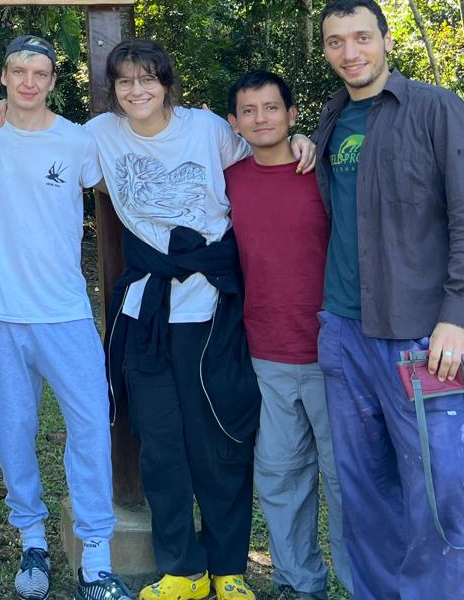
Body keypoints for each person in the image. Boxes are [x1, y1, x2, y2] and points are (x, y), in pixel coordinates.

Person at [90, 40, 309, 600]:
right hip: (147, 312)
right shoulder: (99, 136)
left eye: (148, 79)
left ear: (166, 83)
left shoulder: (208, 130)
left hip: (211, 305)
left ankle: (228, 567)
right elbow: (39, 145)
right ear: (113, 91)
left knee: (220, 438)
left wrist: (300, 138)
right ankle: (181, 571)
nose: (137, 91)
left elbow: (266, 151)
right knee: (160, 445)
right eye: (125, 82)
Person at [313, 0, 464, 599]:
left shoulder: (435, 109)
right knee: (363, 488)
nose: (350, 52)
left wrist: (459, 320)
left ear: (387, 41)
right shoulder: (331, 119)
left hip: (420, 335)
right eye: (337, 42)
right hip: (343, 332)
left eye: (362, 38)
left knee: (437, 490)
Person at [0, 35, 132, 600]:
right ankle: (33, 542)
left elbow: (133, 161)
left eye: (40, 73)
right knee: (12, 434)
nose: (28, 82)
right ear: (4, 76)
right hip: (1, 312)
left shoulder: (78, 140)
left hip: (65, 312)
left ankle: (95, 556)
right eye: (18, 70)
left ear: (52, 80)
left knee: (90, 427)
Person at [224, 71, 349, 600]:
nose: (261, 119)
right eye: (249, 111)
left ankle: (361, 581)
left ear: (293, 115)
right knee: (279, 477)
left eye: (272, 108)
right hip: (265, 352)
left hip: (333, 351)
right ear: (234, 123)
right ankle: (300, 583)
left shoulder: (323, 174)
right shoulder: (227, 178)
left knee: (347, 481)